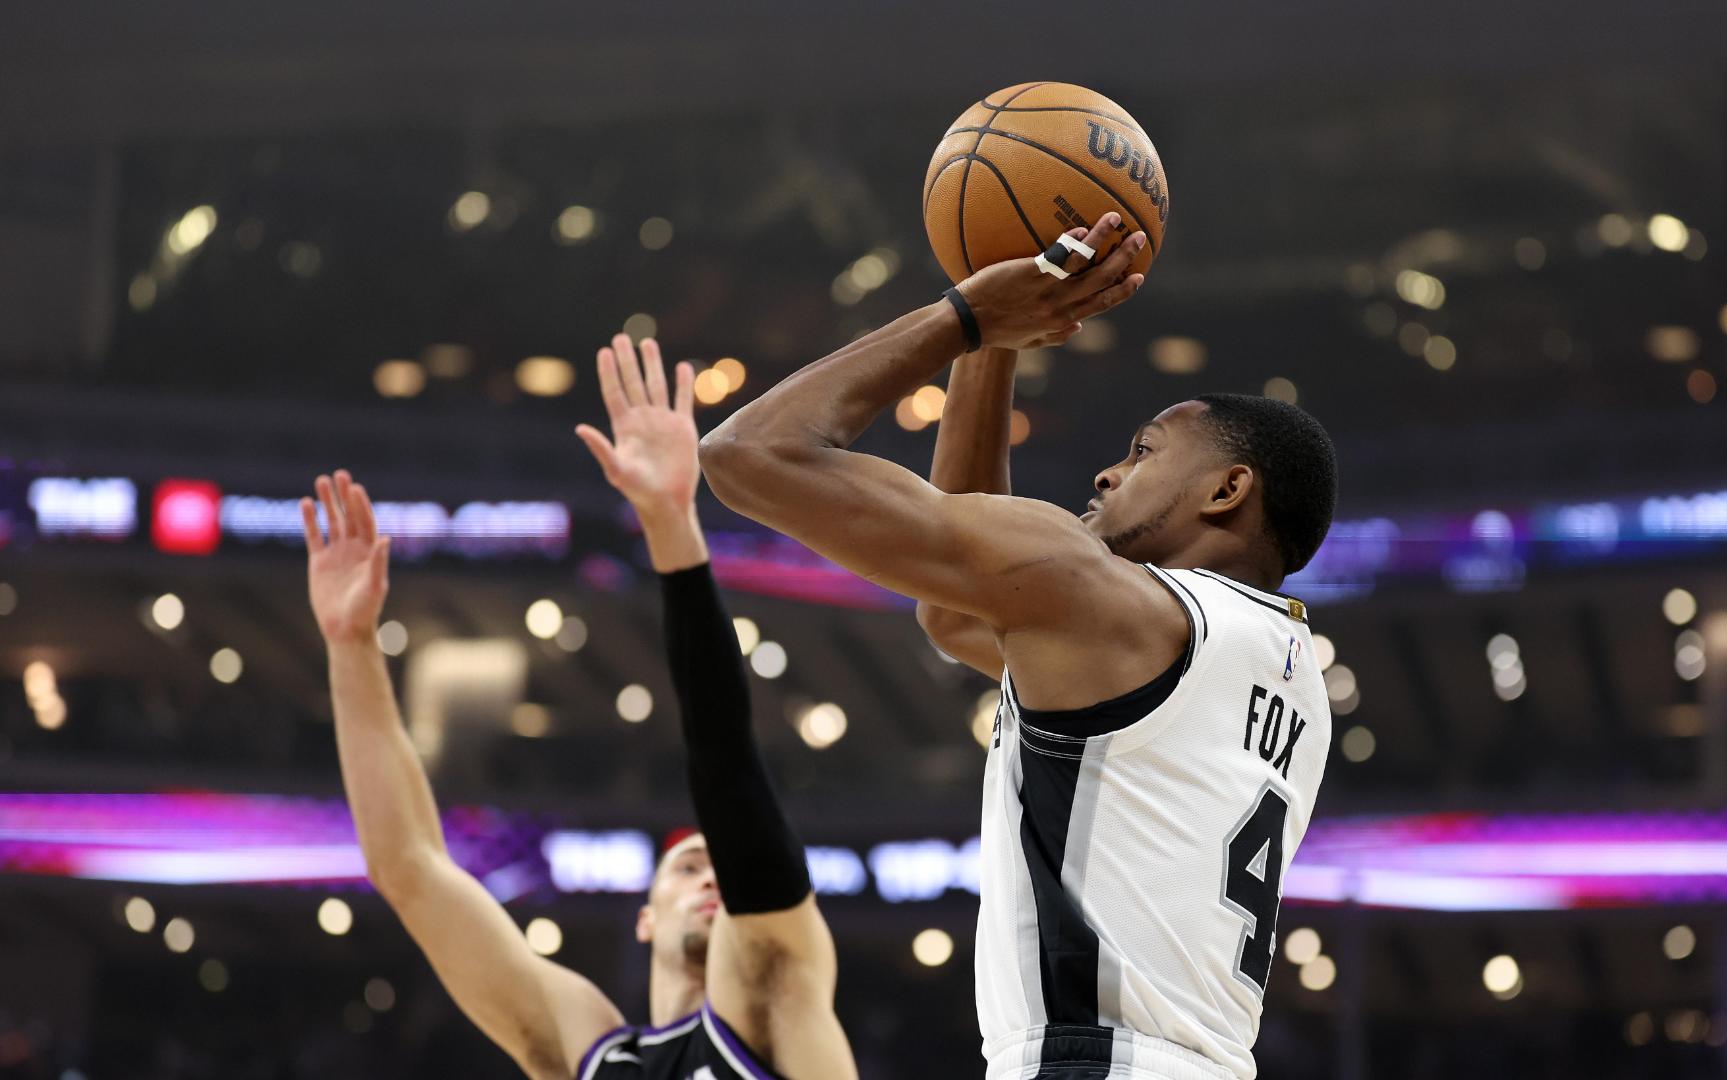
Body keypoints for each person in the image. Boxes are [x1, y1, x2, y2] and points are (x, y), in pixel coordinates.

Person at [699, 214, 1338, 1080]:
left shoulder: (1109, 605)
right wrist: (992, 351)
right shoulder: (1280, 665)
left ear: (1227, 491)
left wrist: (963, 316)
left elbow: (748, 453)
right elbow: (957, 615)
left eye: (1144, 451)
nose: (1108, 474)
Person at [302, 336, 855, 1080]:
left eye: (717, 857)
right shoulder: (589, 1054)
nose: (712, 872)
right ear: (646, 917)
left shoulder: (778, 988)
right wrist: (350, 645)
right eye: (688, 865)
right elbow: (410, 867)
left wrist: (671, 526)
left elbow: (725, 758)